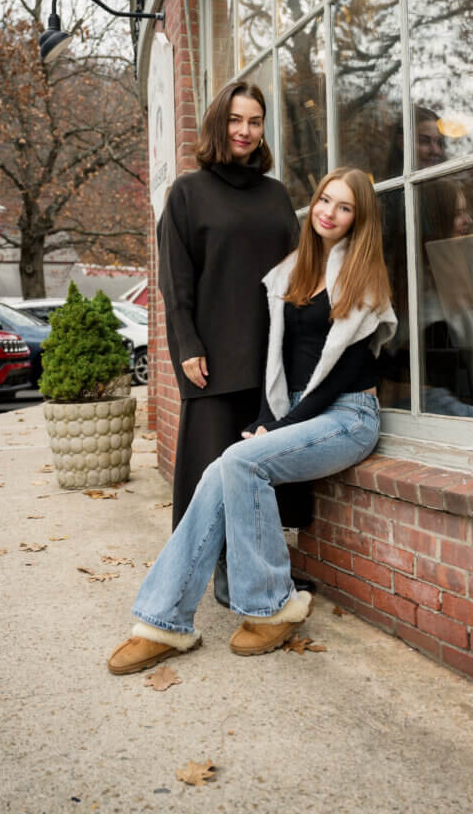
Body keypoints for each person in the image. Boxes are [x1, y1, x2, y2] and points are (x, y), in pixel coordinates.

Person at [107, 167, 397, 674]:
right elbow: (277, 362)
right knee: (224, 466)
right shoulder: (293, 272)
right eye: (325, 200)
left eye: (344, 207)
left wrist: (280, 426)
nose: (329, 212)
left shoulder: (363, 277)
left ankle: (269, 605)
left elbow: (339, 375)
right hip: (300, 412)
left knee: (240, 462)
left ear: (359, 218)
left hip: (349, 415)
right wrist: (267, 416)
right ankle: (162, 621)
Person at [156, 80, 306, 606]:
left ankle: (262, 566)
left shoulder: (275, 193)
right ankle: (219, 567)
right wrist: (188, 345)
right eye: (236, 120)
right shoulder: (188, 193)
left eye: (256, 121)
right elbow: (175, 281)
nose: (245, 131)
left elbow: (297, 270)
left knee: (265, 466)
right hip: (215, 357)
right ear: (219, 124)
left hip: (272, 353)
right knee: (213, 469)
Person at [419, 178, 473, 420]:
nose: (468, 220)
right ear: (438, 220)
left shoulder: (454, 279)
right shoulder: (427, 294)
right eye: (458, 213)